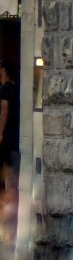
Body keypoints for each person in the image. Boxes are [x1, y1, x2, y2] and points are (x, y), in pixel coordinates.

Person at [0, 59, 19, 195]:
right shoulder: (16, 87)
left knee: (8, 170)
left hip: (7, 135)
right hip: (16, 135)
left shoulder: (5, 88)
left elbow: (5, 111)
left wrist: (0, 132)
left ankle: (9, 195)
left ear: (4, 71)